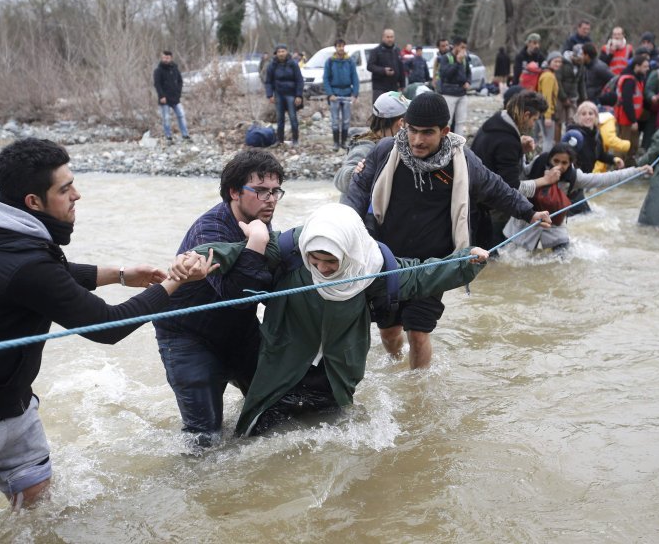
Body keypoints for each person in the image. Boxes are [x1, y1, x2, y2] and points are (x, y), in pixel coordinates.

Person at [0, 138, 216, 520]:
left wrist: (119, 274)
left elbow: (53, 274)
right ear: (34, 202)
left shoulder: (9, 236)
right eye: (65, 190)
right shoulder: (20, 261)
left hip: (13, 409)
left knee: (38, 516)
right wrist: (176, 282)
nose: (77, 195)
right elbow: (106, 327)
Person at [173, 204, 490, 436]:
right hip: (281, 370)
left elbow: (421, 275)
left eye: (332, 262)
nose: (323, 269)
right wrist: (197, 258)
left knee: (335, 444)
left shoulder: (372, 267)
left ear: (350, 253)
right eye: (316, 260)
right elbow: (233, 252)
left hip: (335, 377)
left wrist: (466, 262)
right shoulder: (287, 251)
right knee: (254, 444)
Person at [344, 93, 551, 369]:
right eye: (412, 130)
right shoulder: (384, 151)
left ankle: (417, 394)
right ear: (404, 124)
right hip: (387, 259)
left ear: (445, 131)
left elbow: (496, 188)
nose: (417, 140)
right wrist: (342, 225)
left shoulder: (463, 160)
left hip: (435, 264)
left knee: (418, 333)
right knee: (389, 331)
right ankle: (396, 370)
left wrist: (529, 212)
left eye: (427, 133)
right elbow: (357, 193)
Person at [153, 150, 284, 446]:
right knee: (204, 439)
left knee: (273, 415)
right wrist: (257, 242)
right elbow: (236, 295)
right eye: (261, 190)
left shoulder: (258, 221)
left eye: (275, 191)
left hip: (239, 330)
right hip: (188, 336)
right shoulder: (209, 230)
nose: (271, 199)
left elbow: (267, 285)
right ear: (234, 192)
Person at [504, 141, 652, 252]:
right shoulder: (538, 163)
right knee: (514, 257)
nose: (559, 166)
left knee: (563, 259)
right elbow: (517, 180)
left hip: (553, 223)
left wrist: (637, 171)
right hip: (526, 219)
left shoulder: (575, 177)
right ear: (550, 159)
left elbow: (605, 178)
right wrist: (522, 151)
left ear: (570, 164)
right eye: (556, 161)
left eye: (564, 163)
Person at [471, 89, 550, 247]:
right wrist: (545, 180)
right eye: (534, 119)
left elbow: (494, 156)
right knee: (494, 252)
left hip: (475, 199)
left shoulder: (497, 120)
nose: (533, 124)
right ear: (526, 115)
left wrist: (519, 149)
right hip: (487, 207)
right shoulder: (507, 141)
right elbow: (512, 189)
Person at [334, 91, 409, 201]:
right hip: (360, 215)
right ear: (401, 123)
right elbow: (340, 178)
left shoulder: (394, 143)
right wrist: (355, 172)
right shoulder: (365, 147)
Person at [323, 39, 360, 152]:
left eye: (342, 46)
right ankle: (335, 143)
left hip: (347, 94)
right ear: (335, 47)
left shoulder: (350, 61)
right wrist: (330, 94)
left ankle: (343, 142)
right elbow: (326, 79)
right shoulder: (330, 61)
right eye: (338, 46)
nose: (341, 48)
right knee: (335, 120)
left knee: (346, 120)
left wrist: (355, 94)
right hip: (335, 95)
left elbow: (355, 78)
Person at [265, 43, 304, 147]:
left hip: (291, 94)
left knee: (293, 117)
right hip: (278, 94)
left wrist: (299, 95)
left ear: (287, 52)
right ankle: (280, 140)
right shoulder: (272, 65)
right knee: (280, 119)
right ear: (276, 53)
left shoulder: (293, 64)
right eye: (279, 52)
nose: (281, 54)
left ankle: (295, 140)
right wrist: (270, 95)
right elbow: (268, 81)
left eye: (283, 51)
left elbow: (299, 80)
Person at [571, 101, 625, 175]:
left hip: (587, 176)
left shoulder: (596, 134)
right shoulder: (574, 134)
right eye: (583, 114)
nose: (587, 117)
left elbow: (600, 155)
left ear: (596, 116)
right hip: (575, 176)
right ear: (578, 117)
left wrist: (614, 159)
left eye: (591, 113)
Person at [615, 54, 650, 166]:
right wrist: (633, 120)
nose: (647, 69)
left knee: (633, 143)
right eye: (645, 66)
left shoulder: (637, 78)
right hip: (627, 117)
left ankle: (629, 164)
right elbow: (627, 101)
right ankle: (618, 166)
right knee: (623, 144)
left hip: (633, 117)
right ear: (637, 66)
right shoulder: (629, 80)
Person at [153, 50, 190, 143]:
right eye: (164, 57)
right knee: (166, 118)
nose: (165, 59)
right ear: (162, 58)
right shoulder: (158, 70)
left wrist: (178, 92)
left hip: (175, 98)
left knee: (181, 115)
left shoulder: (175, 68)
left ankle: (185, 135)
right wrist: (161, 96)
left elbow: (180, 81)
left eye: (167, 58)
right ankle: (168, 137)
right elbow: (157, 84)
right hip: (164, 99)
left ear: (171, 58)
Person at [438, 36, 472, 136]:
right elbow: (445, 74)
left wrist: (468, 82)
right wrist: (457, 62)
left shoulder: (465, 58)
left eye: (465, 47)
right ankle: (445, 143)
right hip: (449, 94)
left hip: (462, 93)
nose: (463, 50)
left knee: (460, 122)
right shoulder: (446, 58)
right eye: (462, 47)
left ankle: (459, 146)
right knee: (447, 122)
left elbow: (468, 73)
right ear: (456, 46)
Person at [556, 46, 587, 140]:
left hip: (574, 96)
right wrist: (564, 97)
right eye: (578, 59)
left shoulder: (581, 66)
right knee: (559, 121)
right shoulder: (563, 63)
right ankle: (557, 143)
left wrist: (584, 99)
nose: (580, 61)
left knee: (572, 121)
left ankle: (570, 142)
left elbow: (581, 83)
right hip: (561, 97)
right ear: (573, 56)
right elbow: (558, 81)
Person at [367, 29, 405, 103]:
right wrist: (383, 71)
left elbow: (401, 68)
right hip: (379, 88)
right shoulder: (376, 51)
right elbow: (370, 66)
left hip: (394, 87)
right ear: (383, 38)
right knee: (380, 111)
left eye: (391, 37)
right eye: (387, 37)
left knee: (395, 111)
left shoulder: (397, 50)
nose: (390, 39)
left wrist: (402, 85)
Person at [537, 51, 563, 152]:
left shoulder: (548, 74)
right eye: (555, 61)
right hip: (546, 113)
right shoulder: (549, 76)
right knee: (548, 141)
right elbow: (546, 97)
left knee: (545, 139)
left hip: (543, 112)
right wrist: (548, 117)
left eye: (560, 62)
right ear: (549, 61)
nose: (558, 64)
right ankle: (545, 162)